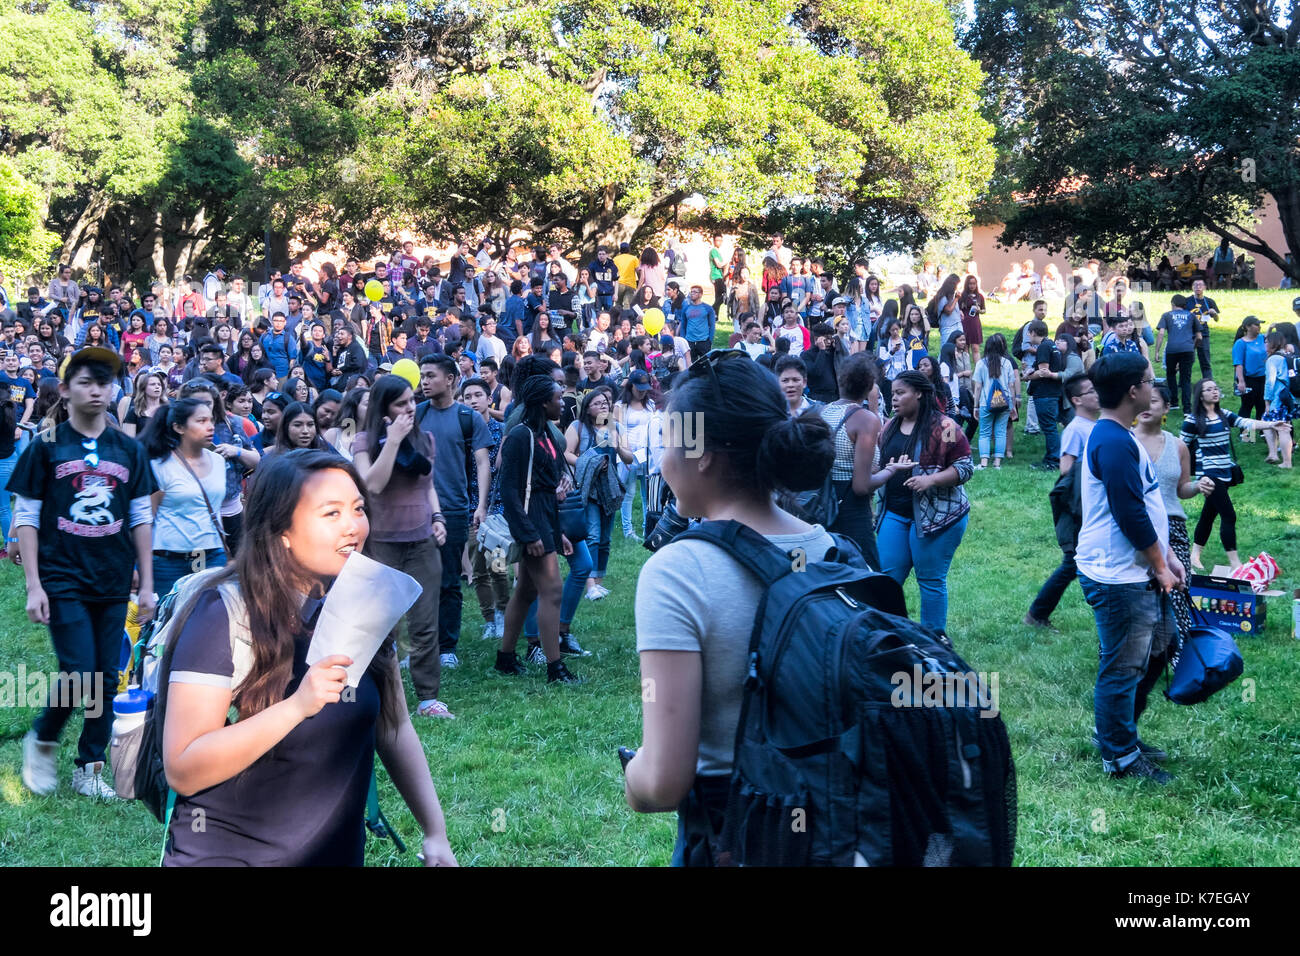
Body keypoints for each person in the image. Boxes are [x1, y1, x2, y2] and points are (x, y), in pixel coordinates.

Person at [159, 449, 456, 865]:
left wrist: (435, 831)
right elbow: (183, 767)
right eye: (331, 514)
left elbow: (394, 727)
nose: (353, 526)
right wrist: (297, 707)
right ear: (281, 530)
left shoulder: (363, 601)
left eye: (357, 509)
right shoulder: (222, 615)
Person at [623, 350, 839, 862]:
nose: (661, 461)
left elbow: (664, 780)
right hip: (834, 826)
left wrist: (632, 774)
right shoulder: (829, 547)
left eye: (669, 443)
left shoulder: (677, 574)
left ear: (702, 454)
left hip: (733, 834)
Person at [11, 347, 157, 799]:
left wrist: (147, 582)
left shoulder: (128, 449)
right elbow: (27, 516)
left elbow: (140, 519)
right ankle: (43, 737)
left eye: (105, 382)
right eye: (87, 381)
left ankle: (90, 765)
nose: (97, 390)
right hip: (62, 577)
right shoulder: (46, 445)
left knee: (106, 673)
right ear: (66, 388)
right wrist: (35, 585)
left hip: (112, 579)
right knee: (79, 669)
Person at [1074, 352, 1184, 784]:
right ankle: (1118, 754)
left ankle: (1123, 733)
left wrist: (1168, 556)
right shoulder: (1114, 442)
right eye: (1148, 379)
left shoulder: (1121, 435)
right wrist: (1160, 564)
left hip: (1137, 568)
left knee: (1159, 649)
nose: (1154, 385)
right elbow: (1129, 514)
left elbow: (1149, 506)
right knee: (1123, 665)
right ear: (1133, 391)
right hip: (1118, 574)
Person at [353, 375, 453, 719]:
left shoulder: (425, 439)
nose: (410, 408)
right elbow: (371, 486)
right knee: (381, 624)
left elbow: (428, 487)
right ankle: (378, 692)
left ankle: (428, 697)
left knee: (425, 622)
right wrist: (392, 441)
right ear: (384, 408)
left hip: (422, 540)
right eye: (400, 403)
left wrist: (438, 518)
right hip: (382, 543)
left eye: (411, 400)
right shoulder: (364, 441)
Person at [492, 375, 581, 683]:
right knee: (552, 591)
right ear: (544, 402)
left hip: (546, 519)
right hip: (531, 523)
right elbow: (510, 490)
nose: (562, 402)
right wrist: (529, 534)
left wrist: (559, 534)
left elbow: (545, 487)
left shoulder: (545, 433)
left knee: (527, 590)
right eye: (558, 398)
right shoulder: (520, 435)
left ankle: (505, 657)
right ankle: (555, 668)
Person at [875, 370, 973, 638]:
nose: (894, 399)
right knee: (886, 579)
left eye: (900, 393)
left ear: (918, 393)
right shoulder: (888, 427)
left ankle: (934, 640)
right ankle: (891, 637)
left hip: (938, 517)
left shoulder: (946, 428)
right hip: (894, 513)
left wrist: (930, 481)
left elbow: (965, 468)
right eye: (892, 393)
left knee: (930, 580)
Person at [416, 354, 492, 671]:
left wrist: (481, 505)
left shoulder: (466, 417)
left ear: (450, 379)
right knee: (417, 581)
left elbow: (482, 461)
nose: (424, 381)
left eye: (431, 375)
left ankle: (447, 646)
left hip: (454, 509)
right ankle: (420, 645)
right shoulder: (415, 414)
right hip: (416, 510)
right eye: (422, 375)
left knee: (448, 580)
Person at [1024, 372, 1100, 629]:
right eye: (1092, 391)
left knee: (1076, 563)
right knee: (1072, 563)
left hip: (1092, 504)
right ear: (1077, 399)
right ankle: (1036, 614)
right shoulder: (1076, 429)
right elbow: (1066, 469)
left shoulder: (1096, 426)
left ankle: (1038, 613)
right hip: (1080, 507)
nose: (1098, 394)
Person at [1136, 384, 1211, 640]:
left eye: (1154, 402)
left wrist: (1198, 486)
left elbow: (1181, 489)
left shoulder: (1178, 446)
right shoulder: (1126, 441)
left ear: (1167, 407)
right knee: (1138, 590)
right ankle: (1138, 652)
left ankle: (1177, 652)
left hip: (1173, 527)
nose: (1147, 408)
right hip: (1138, 525)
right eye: (1144, 402)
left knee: (1178, 587)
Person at [1180, 378, 1278, 569]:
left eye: (1216, 388)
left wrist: (1271, 424)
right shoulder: (1192, 420)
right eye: (1209, 390)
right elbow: (1180, 445)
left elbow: (1246, 422)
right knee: (1229, 515)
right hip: (1209, 475)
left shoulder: (1223, 414)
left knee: (1208, 514)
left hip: (1225, 471)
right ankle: (1235, 563)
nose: (1214, 392)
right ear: (1200, 395)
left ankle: (1194, 555)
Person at [141, 397, 230, 600]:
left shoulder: (217, 460)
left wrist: (225, 551)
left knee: (209, 621)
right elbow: (147, 519)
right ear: (179, 427)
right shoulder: (160, 465)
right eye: (201, 421)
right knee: (168, 622)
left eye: (211, 420)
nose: (210, 427)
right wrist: (140, 570)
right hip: (169, 560)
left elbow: (216, 511)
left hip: (212, 555)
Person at [566, 386, 633, 599]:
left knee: (605, 537)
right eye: (597, 403)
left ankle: (599, 582)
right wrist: (589, 463)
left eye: (605, 403)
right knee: (592, 534)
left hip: (609, 487)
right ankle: (589, 585)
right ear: (587, 408)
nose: (603, 406)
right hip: (588, 487)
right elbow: (565, 453)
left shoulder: (617, 428)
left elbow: (629, 458)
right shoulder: (578, 426)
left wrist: (618, 447)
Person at [818, 353, 882, 568]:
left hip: (822, 502)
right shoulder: (865, 420)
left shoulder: (822, 412)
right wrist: (891, 470)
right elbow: (861, 486)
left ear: (841, 380)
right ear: (869, 386)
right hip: (851, 507)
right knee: (868, 575)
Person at [460, 377, 510, 640]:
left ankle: (503, 613)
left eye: (478, 395)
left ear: (489, 399)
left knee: (498, 565)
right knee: (478, 568)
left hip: (498, 508)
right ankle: (489, 619)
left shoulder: (501, 430)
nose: (473, 401)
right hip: (469, 508)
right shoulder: (459, 430)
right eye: (467, 397)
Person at [971, 332, 1017, 469]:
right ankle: (997, 463)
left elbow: (978, 387)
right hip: (1004, 403)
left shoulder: (981, 363)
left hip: (986, 402)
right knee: (1000, 432)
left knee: (984, 432)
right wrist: (1013, 405)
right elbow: (1011, 385)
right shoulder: (1007, 363)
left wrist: (975, 406)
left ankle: (984, 463)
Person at [1025, 319, 1065, 471]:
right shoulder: (1052, 345)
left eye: (1029, 333)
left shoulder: (1043, 347)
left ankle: (1053, 460)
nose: (1028, 336)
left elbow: (1043, 372)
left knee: (1049, 428)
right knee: (1050, 427)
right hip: (1053, 392)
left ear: (1034, 333)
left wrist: (1028, 376)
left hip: (1045, 394)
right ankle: (1051, 457)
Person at [1154, 294, 1196, 410]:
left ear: (1172, 304)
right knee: (1186, 379)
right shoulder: (1191, 315)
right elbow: (1199, 336)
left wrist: (1157, 351)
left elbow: (1161, 333)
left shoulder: (1166, 315)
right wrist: (1192, 347)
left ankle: (1174, 402)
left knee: (1171, 375)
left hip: (1172, 350)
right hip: (1188, 349)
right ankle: (1187, 409)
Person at [1261, 331, 1295, 468]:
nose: (1265, 344)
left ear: (1272, 343)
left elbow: (1270, 382)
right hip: (1290, 397)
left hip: (1279, 397)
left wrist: (1267, 401)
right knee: (1268, 422)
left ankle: (1286, 462)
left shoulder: (1273, 359)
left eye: (1266, 342)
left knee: (1282, 428)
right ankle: (1273, 454)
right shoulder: (1288, 355)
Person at [1231, 316, 1268, 425]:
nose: (1259, 326)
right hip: (1249, 379)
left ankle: (1262, 431)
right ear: (1248, 327)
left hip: (1263, 378)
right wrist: (1241, 382)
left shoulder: (1262, 338)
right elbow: (1238, 364)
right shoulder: (1241, 343)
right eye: (1256, 324)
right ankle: (1246, 434)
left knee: (1262, 405)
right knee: (1247, 406)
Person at [1184, 278, 1219, 377]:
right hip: (1189, 334)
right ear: (1192, 287)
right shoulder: (1186, 301)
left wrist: (1214, 314)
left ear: (1204, 287)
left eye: (1200, 285)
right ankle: (1184, 383)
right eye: (1195, 285)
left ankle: (1208, 382)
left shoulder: (1209, 301)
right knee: (1187, 361)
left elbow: (1216, 319)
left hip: (1204, 334)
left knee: (1205, 361)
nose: (1198, 287)